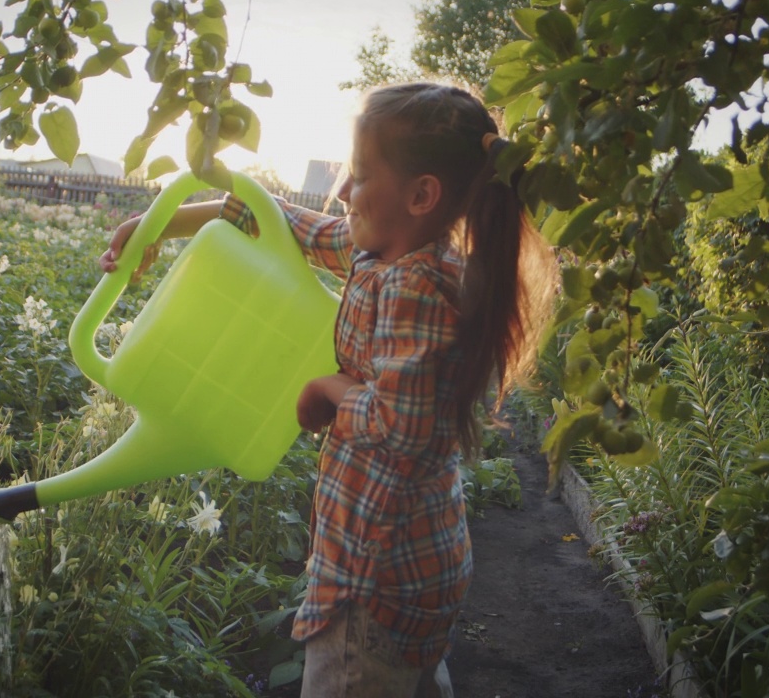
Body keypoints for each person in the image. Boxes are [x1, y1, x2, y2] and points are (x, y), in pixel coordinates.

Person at [99, 82, 557, 698]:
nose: (342, 190)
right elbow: (280, 223)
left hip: (375, 582)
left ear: (422, 195)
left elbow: (403, 426)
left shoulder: (417, 286)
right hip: (409, 560)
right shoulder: (384, 251)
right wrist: (157, 224)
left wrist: (332, 389)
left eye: (360, 175)